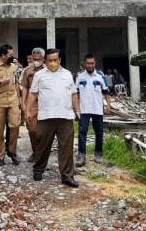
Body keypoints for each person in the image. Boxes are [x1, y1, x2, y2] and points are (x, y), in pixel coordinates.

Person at [24, 48, 80, 188]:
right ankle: (38, 170)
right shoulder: (40, 75)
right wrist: (27, 110)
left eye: (55, 60)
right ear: (45, 61)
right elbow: (33, 93)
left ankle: (67, 176)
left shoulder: (67, 75)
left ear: (60, 60)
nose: (53, 63)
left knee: (66, 148)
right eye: (50, 60)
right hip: (46, 116)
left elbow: (73, 94)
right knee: (42, 145)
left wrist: (78, 110)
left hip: (65, 116)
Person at [75, 54, 111, 167]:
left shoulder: (100, 76)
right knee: (82, 132)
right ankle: (81, 155)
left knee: (99, 132)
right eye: (88, 63)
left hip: (97, 109)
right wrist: (76, 108)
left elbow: (106, 91)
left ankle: (98, 154)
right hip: (84, 109)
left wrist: (108, 105)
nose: (90, 65)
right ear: (84, 64)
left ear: (95, 64)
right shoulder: (79, 77)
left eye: (92, 63)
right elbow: (75, 93)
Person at [21, 47, 46, 162]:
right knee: (32, 130)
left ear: (43, 59)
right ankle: (35, 151)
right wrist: (24, 104)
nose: (36, 61)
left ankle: (41, 153)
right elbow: (25, 88)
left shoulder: (48, 70)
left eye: (38, 59)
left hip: (46, 103)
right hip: (33, 104)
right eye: (34, 59)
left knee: (44, 131)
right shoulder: (28, 71)